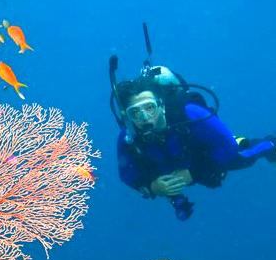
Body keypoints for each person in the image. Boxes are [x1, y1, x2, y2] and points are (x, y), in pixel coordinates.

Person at [115, 75, 276, 220]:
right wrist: (153, 186)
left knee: (240, 158)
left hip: (203, 156)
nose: (144, 117)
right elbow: (127, 173)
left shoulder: (190, 114)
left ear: (161, 105)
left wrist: (194, 173)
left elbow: (227, 147)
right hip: (169, 162)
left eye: (150, 107)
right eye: (135, 112)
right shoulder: (128, 137)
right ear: (127, 116)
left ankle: (269, 145)